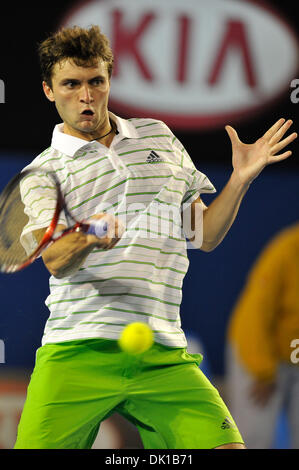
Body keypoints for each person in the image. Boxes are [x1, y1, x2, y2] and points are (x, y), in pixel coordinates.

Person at [14, 25, 297, 449]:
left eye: (96, 81)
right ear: (49, 90)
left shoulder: (159, 137)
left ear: (110, 80)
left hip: (162, 351)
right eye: (71, 84)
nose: (86, 96)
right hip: (76, 351)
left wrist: (239, 180)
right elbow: (55, 258)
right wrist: (90, 233)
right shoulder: (42, 174)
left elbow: (203, 234)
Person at [226, 222, 299, 448]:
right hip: (259, 352)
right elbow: (254, 317)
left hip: (294, 354)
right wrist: (262, 370)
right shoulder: (287, 251)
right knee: (255, 436)